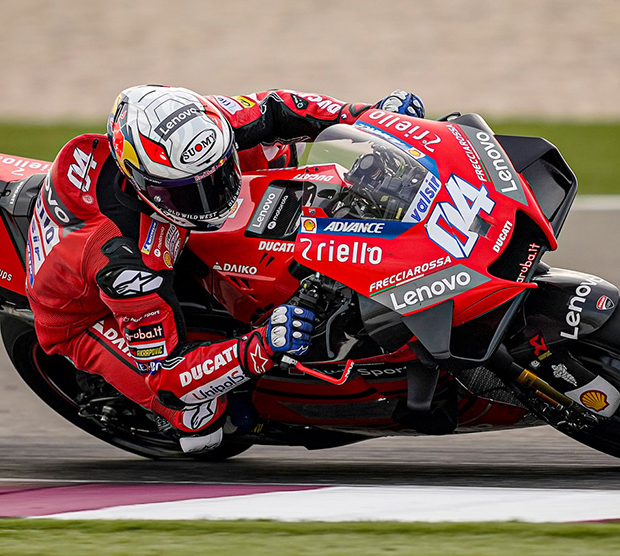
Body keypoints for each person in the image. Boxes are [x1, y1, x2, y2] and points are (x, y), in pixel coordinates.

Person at [25, 86, 425, 453]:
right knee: (200, 418)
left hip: (161, 231)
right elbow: (169, 377)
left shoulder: (203, 127)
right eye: (189, 193)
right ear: (143, 184)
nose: (213, 199)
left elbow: (278, 107)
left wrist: (371, 117)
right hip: (81, 315)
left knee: (276, 154)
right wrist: (262, 346)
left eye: (219, 176)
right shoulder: (126, 267)